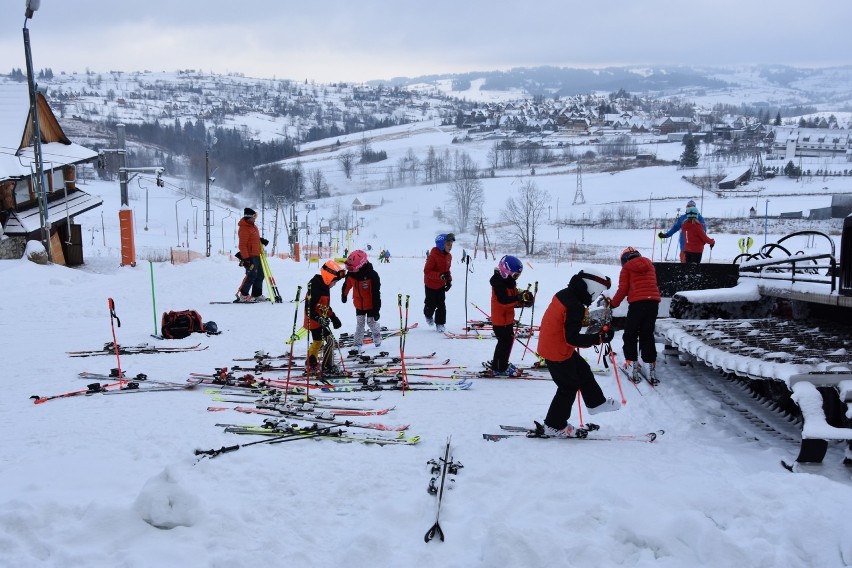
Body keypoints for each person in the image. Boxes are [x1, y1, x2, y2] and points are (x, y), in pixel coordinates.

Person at [535, 269, 620, 437]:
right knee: (568, 387)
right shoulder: (575, 305)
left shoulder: (566, 294)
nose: (596, 297)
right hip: (557, 351)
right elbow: (572, 339)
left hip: (554, 346)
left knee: (582, 370)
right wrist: (599, 339)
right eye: (599, 293)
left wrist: (596, 334)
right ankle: (554, 425)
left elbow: (567, 325)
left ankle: (596, 403)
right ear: (592, 288)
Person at [606, 247, 662, 385]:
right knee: (647, 334)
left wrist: (613, 304)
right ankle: (650, 367)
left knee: (630, 334)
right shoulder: (650, 266)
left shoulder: (627, 268)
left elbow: (623, 289)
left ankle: (631, 365)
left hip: (637, 304)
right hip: (653, 303)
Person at [488, 255, 533, 376]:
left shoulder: (508, 282)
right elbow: (503, 301)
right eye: (515, 275)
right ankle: (499, 367)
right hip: (500, 320)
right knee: (504, 342)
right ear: (506, 271)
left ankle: (501, 363)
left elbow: (512, 298)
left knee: (507, 341)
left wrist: (524, 300)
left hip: (507, 319)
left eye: (518, 276)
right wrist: (518, 298)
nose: (516, 278)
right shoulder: (498, 283)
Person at [304, 259, 345, 375]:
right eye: (334, 282)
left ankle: (311, 362)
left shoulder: (324, 286)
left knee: (318, 342)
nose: (335, 284)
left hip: (319, 321)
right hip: (313, 321)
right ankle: (326, 366)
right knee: (329, 341)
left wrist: (333, 317)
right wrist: (319, 318)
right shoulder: (315, 287)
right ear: (328, 277)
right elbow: (309, 310)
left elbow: (325, 306)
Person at [341, 249, 382, 353]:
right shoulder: (351, 275)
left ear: (361, 264)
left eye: (351, 268)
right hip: (359, 304)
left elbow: (376, 294)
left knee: (371, 323)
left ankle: (377, 335)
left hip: (371, 304)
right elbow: (347, 285)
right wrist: (344, 295)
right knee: (360, 324)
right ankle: (357, 343)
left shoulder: (372, 276)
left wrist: (376, 310)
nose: (349, 270)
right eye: (348, 268)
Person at [236, 208, 269, 303]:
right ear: (249, 217)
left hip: (256, 254)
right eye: (254, 216)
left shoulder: (253, 226)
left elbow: (254, 238)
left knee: (260, 275)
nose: (255, 218)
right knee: (251, 275)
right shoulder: (244, 228)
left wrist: (261, 240)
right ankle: (244, 295)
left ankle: (257, 294)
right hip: (250, 256)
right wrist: (246, 259)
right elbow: (242, 245)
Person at [424, 233, 454, 332]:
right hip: (430, 285)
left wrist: (449, 280)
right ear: (441, 244)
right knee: (431, 305)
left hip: (441, 285)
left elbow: (447, 271)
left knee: (441, 305)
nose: (450, 247)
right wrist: (439, 276)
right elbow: (427, 271)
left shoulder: (449, 256)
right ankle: (428, 315)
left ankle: (440, 324)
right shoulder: (433, 256)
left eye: (451, 244)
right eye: (448, 244)